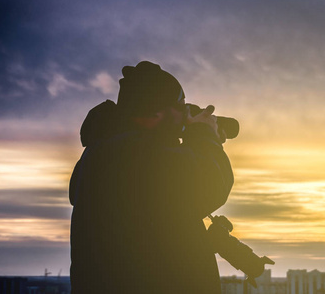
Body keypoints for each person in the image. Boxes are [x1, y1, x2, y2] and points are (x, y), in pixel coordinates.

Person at [69, 61, 234, 294]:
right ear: (156, 111)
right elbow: (212, 185)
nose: (187, 113)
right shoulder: (136, 155)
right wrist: (204, 133)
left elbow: (160, 224)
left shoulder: (102, 152)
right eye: (181, 105)